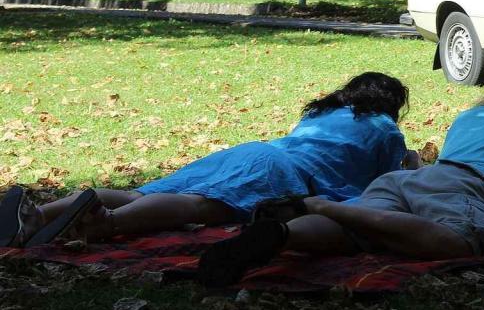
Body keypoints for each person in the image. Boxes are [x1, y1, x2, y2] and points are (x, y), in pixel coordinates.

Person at [198, 72, 484, 286]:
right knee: (463, 242)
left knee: (357, 232)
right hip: (464, 187)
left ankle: (284, 233)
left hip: (412, 181)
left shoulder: (469, 118)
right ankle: (321, 206)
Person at [0, 72, 417, 248]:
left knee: (141, 192)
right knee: (199, 205)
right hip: (284, 174)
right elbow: (385, 187)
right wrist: (411, 162)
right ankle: (105, 224)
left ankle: (38, 215)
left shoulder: (320, 113)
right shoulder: (384, 128)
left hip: (253, 151)